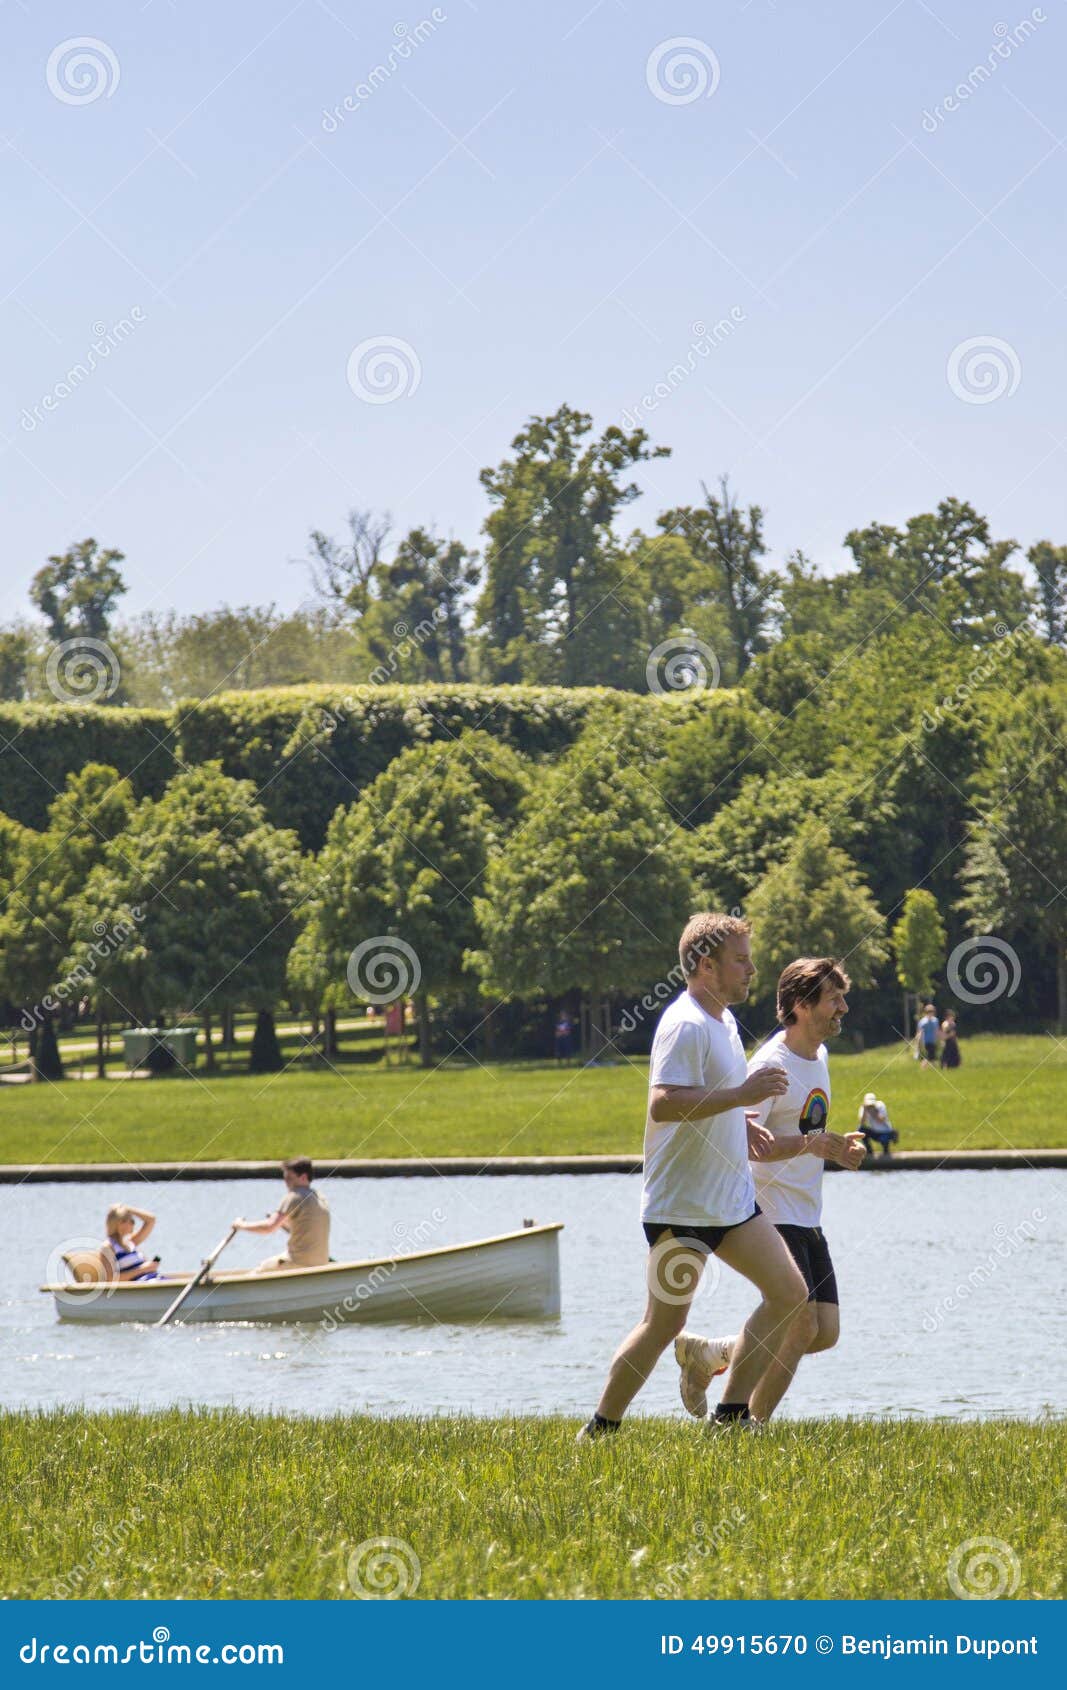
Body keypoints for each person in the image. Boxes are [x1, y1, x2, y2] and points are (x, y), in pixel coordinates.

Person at [578, 913, 834, 1440]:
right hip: (681, 1208)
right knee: (662, 1325)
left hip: (732, 1203)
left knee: (789, 1295)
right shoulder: (684, 1023)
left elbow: (706, 1098)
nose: (751, 969)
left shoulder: (723, 1022)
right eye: (740, 960)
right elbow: (665, 1104)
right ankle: (599, 1432)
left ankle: (731, 1419)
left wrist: (737, 1122)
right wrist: (741, 1097)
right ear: (705, 965)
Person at [674, 958, 866, 1423]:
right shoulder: (771, 1065)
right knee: (800, 1325)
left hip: (807, 1213)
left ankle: (712, 1352)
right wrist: (813, 1144)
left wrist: (836, 1148)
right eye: (833, 999)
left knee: (825, 1332)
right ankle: (746, 1427)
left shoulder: (818, 1056)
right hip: (770, 1211)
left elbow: (804, 1130)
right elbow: (744, 1144)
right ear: (801, 1005)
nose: (843, 1007)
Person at [233, 1157, 331, 1272]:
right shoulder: (320, 1197)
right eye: (285, 1178)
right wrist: (283, 1223)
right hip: (321, 1263)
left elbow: (269, 1228)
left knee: (259, 1270)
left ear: (303, 1177)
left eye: (289, 1178)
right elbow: (303, 1228)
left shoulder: (294, 1196)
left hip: (298, 1262)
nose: (286, 1182)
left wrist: (240, 1225)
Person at [104, 1204, 161, 1281]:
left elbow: (151, 1219)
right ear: (120, 1223)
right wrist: (143, 1269)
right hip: (143, 1285)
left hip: (153, 1279)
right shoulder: (109, 1246)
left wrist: (128, 1209)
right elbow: (111, 1279)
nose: (134, 1224)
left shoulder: (130, 1242)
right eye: (132, 1221)